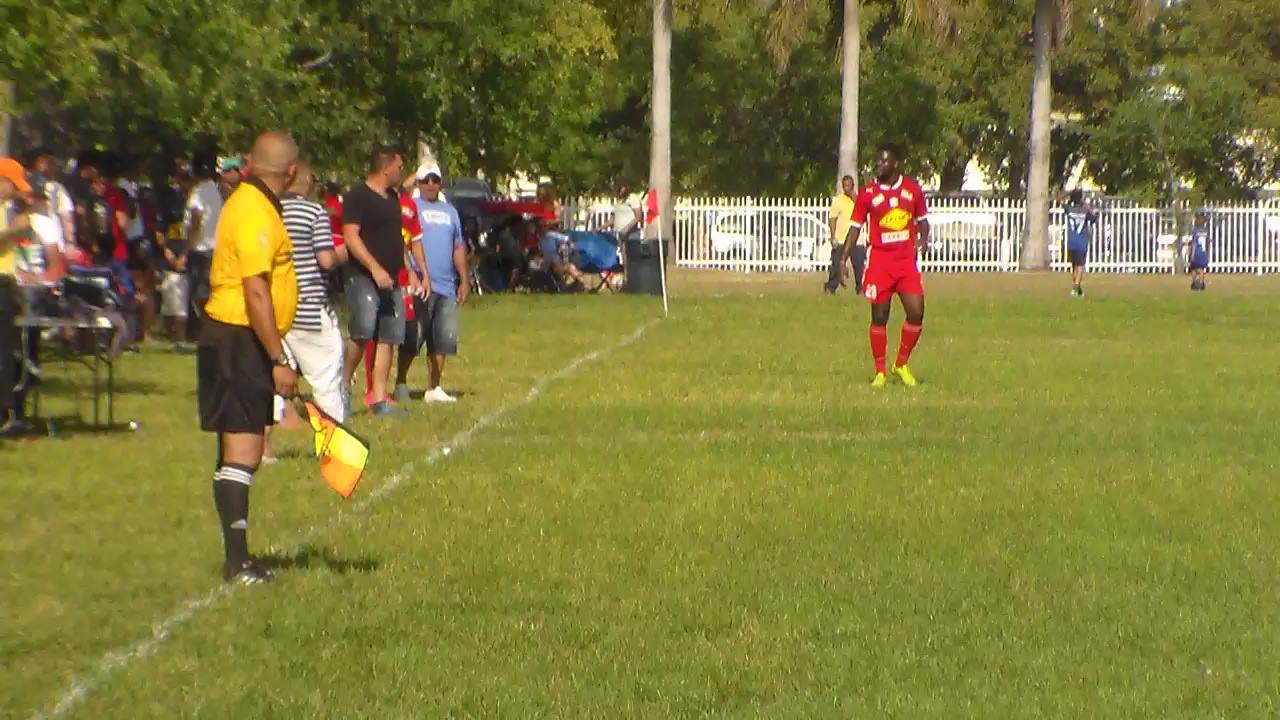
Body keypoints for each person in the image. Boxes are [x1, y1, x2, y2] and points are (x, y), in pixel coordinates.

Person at [197, 131, 299, 585]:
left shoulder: (248, 202)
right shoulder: (255, 210)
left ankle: (237, 556)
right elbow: (256, 289)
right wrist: (278, 356)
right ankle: (237, 562)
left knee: (243, 449)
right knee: (243, 449)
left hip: (238, 336)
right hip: (239, 337)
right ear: (291, 172)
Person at [840, 143, 930, 388]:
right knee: (880, 316)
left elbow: (923, 221)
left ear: (895, 163)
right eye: (877, 161)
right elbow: (855, 228)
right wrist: (843, 258)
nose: (879, 165)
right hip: (880, 263)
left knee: (916, 312)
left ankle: (900, 364)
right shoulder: (868, 193)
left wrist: (923, 240)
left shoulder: (912, 190)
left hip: (905, 264)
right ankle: (880, 371)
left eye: (884, 161)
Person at [341, 146, 421, 416]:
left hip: (391, 277)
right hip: (362, 275)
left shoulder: (393, 198)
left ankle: (379, 397)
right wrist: (374, 268)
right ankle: (342, 386)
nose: (401, 172)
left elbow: (397, 239)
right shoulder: (357, 197)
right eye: (399, 166)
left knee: (390, 335)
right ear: (386, 168)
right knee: (362, 329)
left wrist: (409, 268)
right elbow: (351, 236)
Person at [280, 161, 348, 421]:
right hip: (308, 306)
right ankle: (335, 448)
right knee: (326, 378)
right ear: (306, 182)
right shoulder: (314, 213)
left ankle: (265, 448)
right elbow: (326, 261)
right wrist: (344, 253)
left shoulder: (271, 211)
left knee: (276, 378)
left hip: (275, 309)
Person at [414, 169, 468, 403]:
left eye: (435, 180)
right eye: (426, 180)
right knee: (413, 337)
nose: (430, 184)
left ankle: (434, 386)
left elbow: (458, 247)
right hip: (419, 283)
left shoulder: (451, 212)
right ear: (418, 182)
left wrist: (464, 279)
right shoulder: (411, 207)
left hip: (446, 285)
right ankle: (401, 383)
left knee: (442, 338)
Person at [391, 172, 431, 404]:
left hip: (407, 277)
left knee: (414, 330)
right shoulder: (384, 202)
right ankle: (371, 389)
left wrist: (423, 274)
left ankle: (400, 381)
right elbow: (395, 242)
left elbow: (413, 241)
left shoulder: (409, 206)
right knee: (381, 334)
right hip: (387, 274)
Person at [0, 158, 32, 436]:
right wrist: (14, 229)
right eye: (14, 185)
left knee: (7, 351)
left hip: (7, 284)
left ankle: (7, 410)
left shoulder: (7, 210)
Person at [184, 158, 224, 337]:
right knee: (212, 291)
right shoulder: (218, 190)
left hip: (200, 248)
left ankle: (207, 329)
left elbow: (196, 218)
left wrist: (186, 249)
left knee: (200, 293)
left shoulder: (198, 192)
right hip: (217, 247)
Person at [826, 175, 859, 294]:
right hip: (841, 238)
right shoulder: (838, 200)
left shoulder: (858, 200)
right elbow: (832, 219)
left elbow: (863, 213)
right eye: (845, 186)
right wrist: (833, 236)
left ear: (853, 186)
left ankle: (860, 289)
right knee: (836, 265)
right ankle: (830, 287)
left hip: (857, 239)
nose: (847, 188)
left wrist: (854, 198)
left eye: (849, 186)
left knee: (859, 265)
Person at [1064, 189, 1097, 297]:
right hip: (1081, 241)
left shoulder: (1069, 209)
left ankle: (1078, 289)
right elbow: (1093, 219)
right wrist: (1089, 208)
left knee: (1074, 266)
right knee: (1080, 266)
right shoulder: (1085, 211)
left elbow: (1061, 203)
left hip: (1071, 240)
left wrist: (1067, 197)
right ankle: (1075, 287)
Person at [1189, 211, 1210, 291]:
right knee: (1201, 269)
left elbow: (1194, 243)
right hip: (1203, 252)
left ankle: (1194, 283)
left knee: (1193, 268)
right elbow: (1208, 242)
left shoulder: (1195, 231)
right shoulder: (1205, 231)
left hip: (1197, 252)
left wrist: (1192, 254)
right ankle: (1201, 283)